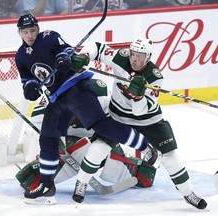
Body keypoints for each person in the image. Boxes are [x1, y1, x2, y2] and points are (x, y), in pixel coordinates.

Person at [15, 14, 162, 204]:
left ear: (37, 28)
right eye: (25, 32)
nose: (30, 35)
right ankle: (46, 186)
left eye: (33, 30)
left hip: (75, 86)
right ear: (20, 33)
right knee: (48, 136)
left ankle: (145, 146)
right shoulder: (20, 56)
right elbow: (27, 81)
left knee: (100, 125)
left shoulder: (49, 37)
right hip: (57, 96)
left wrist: (63, 57)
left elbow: (66, 50)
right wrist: (31, 90)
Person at [73, 38, 208, 209]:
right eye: (133, 54)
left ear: (148, 57)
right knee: (98, 148)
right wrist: (85, 55)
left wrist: (138, 96)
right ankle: (81, 184)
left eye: (140, 56)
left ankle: (189, 194)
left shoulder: (154, 77)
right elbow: (98, 47)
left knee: (170, 157)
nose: (134, 59)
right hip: (118, 117)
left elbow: (140, 112)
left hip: (149, 121)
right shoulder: (121, 57)